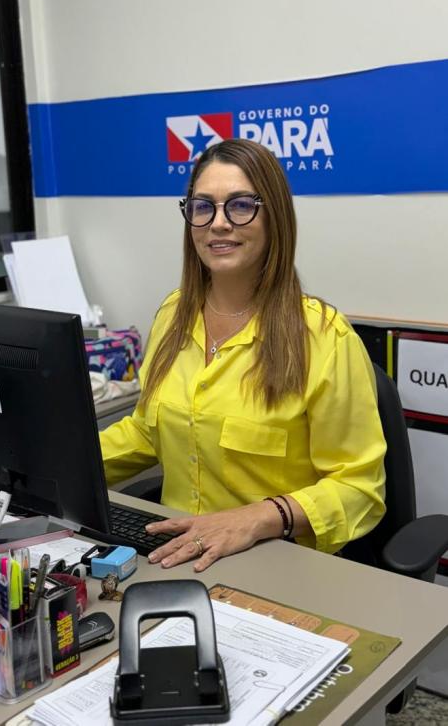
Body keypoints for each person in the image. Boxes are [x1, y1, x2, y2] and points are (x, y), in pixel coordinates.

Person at [100, 138, 386, 572]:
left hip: (280, 563)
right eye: (203, 207)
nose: (218, 223)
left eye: (240, 206)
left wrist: (258, 518)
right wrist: (56, 462)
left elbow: (359, 488)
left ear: (275, 217)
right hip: (175, 555)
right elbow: (146, 431)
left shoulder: (324, 336)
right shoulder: (173, 315)